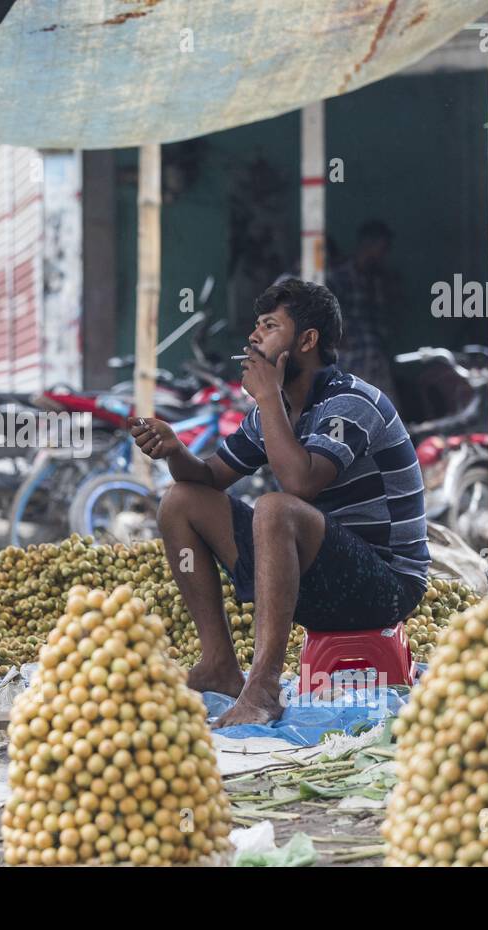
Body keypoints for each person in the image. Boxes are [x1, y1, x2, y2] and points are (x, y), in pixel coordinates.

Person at [129, 278, 429, 727]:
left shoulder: (352, 401)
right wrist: (175, 451)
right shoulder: (273, 412)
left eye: (269, 326)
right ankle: (220, 666)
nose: (253, 337)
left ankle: (264, 687)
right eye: (256, 326)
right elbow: (211, 476)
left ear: (307, 341)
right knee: (181, 501)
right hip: (318, 581)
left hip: (386, 586)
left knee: (274, 507)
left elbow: (301, 485)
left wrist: (267, 395)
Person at [327, 219, 397, 397]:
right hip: (349, 357)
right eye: (382, 248)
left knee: (381, 408)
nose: (384, 254)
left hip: (375, 355)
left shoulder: (377, 279)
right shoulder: (338, 277)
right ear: (367, 244)